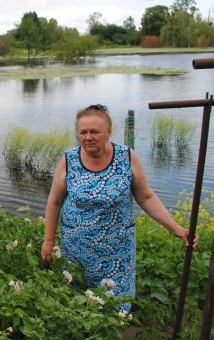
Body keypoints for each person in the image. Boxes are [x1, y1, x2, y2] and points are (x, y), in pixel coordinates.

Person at [40, 104, 199, 309]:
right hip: (76, 250)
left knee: (116, 304)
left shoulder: (126, 157)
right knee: (78, 304)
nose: (88, 137)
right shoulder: (69, 160)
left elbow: (146, 197)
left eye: (95, 131)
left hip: (116, 251)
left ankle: (117, 332)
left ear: (108, 132)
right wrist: (49, 240)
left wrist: (177, 229)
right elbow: (54, 202)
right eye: (83, 132)